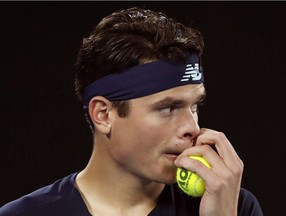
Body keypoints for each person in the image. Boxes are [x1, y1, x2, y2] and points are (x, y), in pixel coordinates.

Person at [0, 7, 263, 216]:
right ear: (103, 114)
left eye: (194, 106)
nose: (192, 127)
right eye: (168, 108)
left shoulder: (231, 206)